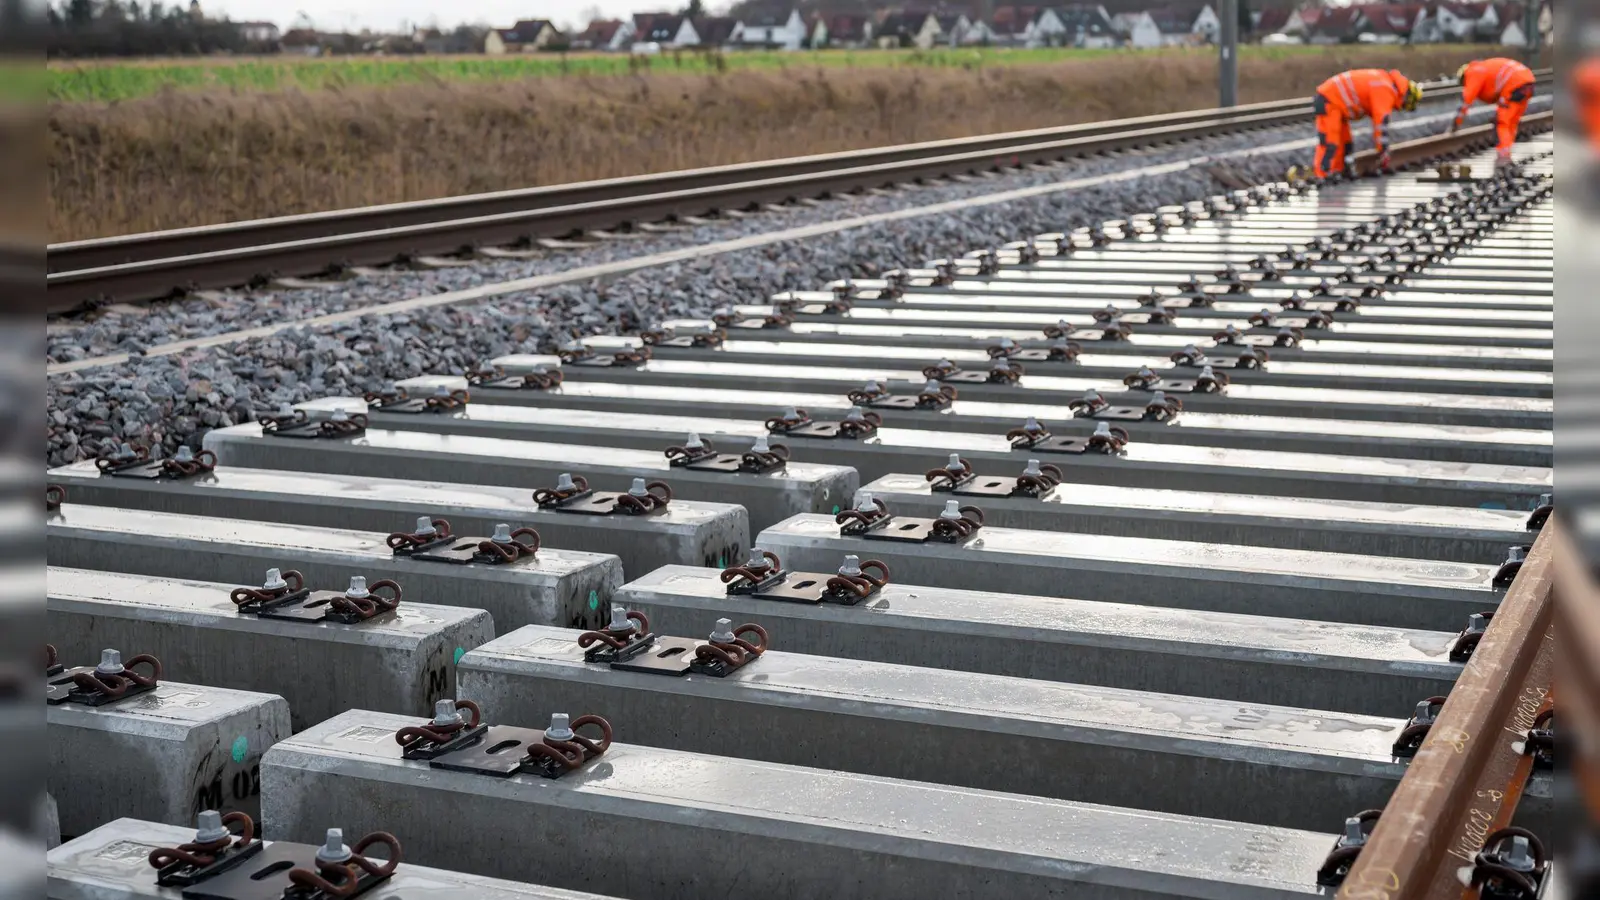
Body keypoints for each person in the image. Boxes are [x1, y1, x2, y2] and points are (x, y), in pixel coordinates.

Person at [1311, 69, 1422, 179]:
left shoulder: (1385, 82)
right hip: (1330, 100)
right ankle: (1322, 176)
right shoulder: (1386, 89)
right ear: (1408, 97)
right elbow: (1381, 123)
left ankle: (1337, 173)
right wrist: (1383, 151)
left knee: (1345, 144)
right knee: (1331, 143)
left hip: (1335, 102)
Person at [1450, 58, 1537, 166]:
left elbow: (1466, 99)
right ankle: (1507, 151)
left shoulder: (1473, 72)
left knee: (1502, 122)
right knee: (1512, 122)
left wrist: (1456, 122)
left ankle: (1503, 155)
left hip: (1514, 85)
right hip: (1528, 83)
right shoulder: (1484, 67)